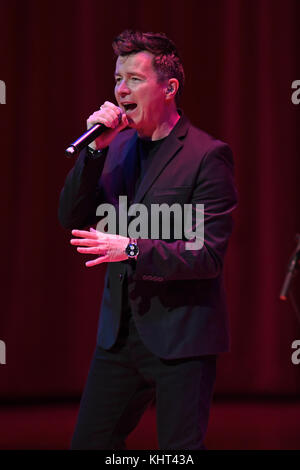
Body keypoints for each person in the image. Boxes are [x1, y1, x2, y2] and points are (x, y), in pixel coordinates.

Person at [58, 30, 238, 450]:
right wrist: (94, 152)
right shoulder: (116, 149)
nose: (121, 89)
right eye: (118, 78)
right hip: (119, 337)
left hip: (182, 338)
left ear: (169, 87)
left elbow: (207, 253)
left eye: (135, 79)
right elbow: (71, 216)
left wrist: (133, 249)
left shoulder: (207, 156)